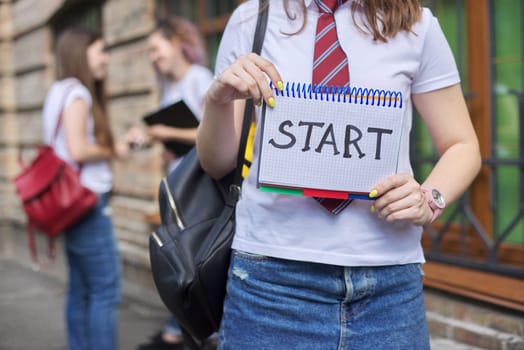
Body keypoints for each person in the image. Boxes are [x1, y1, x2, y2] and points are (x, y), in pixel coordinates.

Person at [196, 0, 481, 349]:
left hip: (388, 285)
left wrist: (430, 198)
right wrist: (217, 100)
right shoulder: (253, 19)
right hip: (270, 283)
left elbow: (462, 145)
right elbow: (217, 163)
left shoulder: (415, 23)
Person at [42, 28, 133, 350]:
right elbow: (79, 150)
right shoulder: (78, 93)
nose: (106, 58)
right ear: (82, 53)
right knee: (106, 290)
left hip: (69, 203)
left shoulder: (57, 90)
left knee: (81, 287)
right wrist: (114, 149)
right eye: (100, 50)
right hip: (87, 203)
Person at [137, 17, 215, 350]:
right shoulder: (168, 86)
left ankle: (196, 329)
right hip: (177, 184)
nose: (153, 57)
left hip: (203, 185)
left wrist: (167, 132)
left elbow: (213, 133)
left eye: (156, 49)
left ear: (177, 42)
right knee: (180, 256)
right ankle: (181, 327)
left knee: (195, 257)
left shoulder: (201, 79)